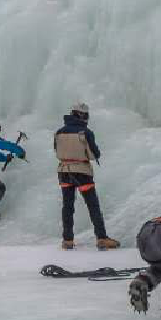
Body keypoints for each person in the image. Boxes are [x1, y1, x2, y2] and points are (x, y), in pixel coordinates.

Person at [54, 102, 119, 250]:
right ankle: (102, 238)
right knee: (92, 205)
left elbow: (56, 150)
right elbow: (95, 154)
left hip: (64, 171)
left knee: (67, 206)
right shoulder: (86, 132)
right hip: (82, 171)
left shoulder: (59, 132)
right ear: (83, 115)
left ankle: (67, 240)